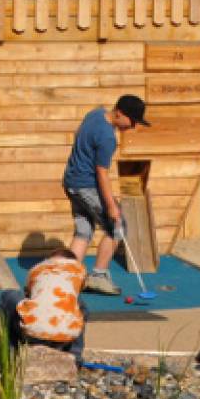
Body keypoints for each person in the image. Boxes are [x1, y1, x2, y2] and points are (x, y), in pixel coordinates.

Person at [62, 94, 150, 296]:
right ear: (119, 113)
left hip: (71, 182)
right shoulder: (108, 138)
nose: (133, 126)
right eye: (132, 121)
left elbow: (80, 139)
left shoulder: (95, 114)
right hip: (86, 185)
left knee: (83, 230)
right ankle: (98, 276)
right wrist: (111, 206)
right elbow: (101, 173)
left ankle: (67, 278)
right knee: (118, 227)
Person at [0, 240, 87, 362]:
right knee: (79, 305)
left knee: (9, 295)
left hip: (32, 334)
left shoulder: (37, 268)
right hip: (65, 338)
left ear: (48, 260)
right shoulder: (79, 269)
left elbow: (28, 294)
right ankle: (75, 353)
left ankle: (11, 351)